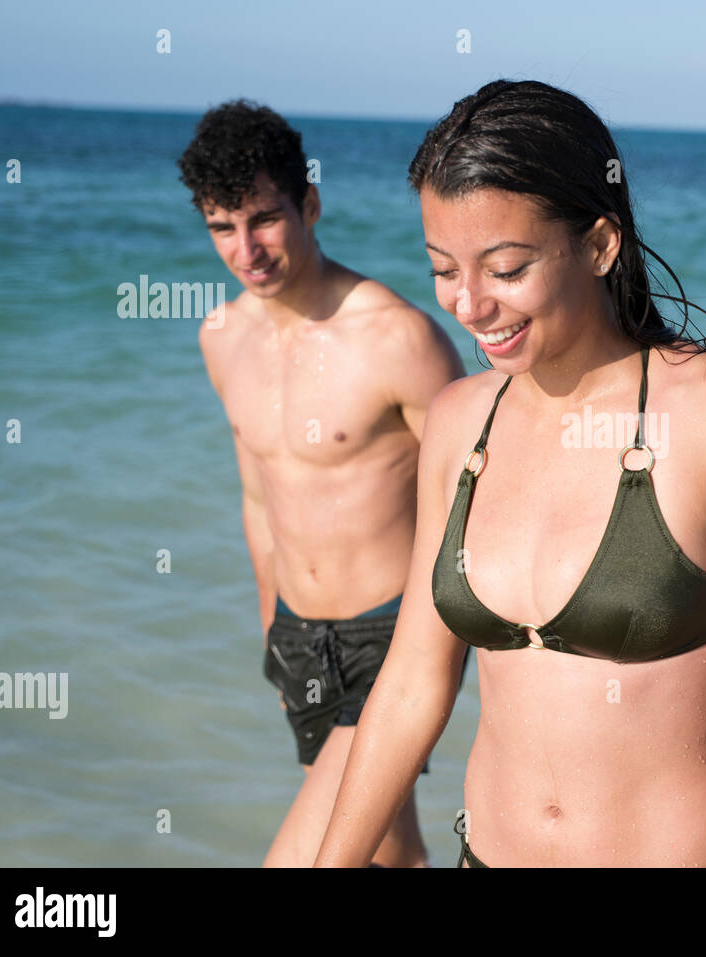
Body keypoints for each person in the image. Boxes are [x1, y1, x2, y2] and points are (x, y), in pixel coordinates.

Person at [313, 79, 706, 867]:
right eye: (444, 269)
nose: (469, 303)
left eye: (505, 266)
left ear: (599, 244)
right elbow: (414, 682)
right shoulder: (460, 421)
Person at [179, 99, 465, 866]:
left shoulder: (396, 338)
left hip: (394, 636)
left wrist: (444, 646)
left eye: (264, 219)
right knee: (386, 850)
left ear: (309, 202)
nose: (246, 249)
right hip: (301, 639)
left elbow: (477, 492)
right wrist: (274, 626)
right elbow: (256, 495)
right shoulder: (222, 338)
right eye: (221, 227)